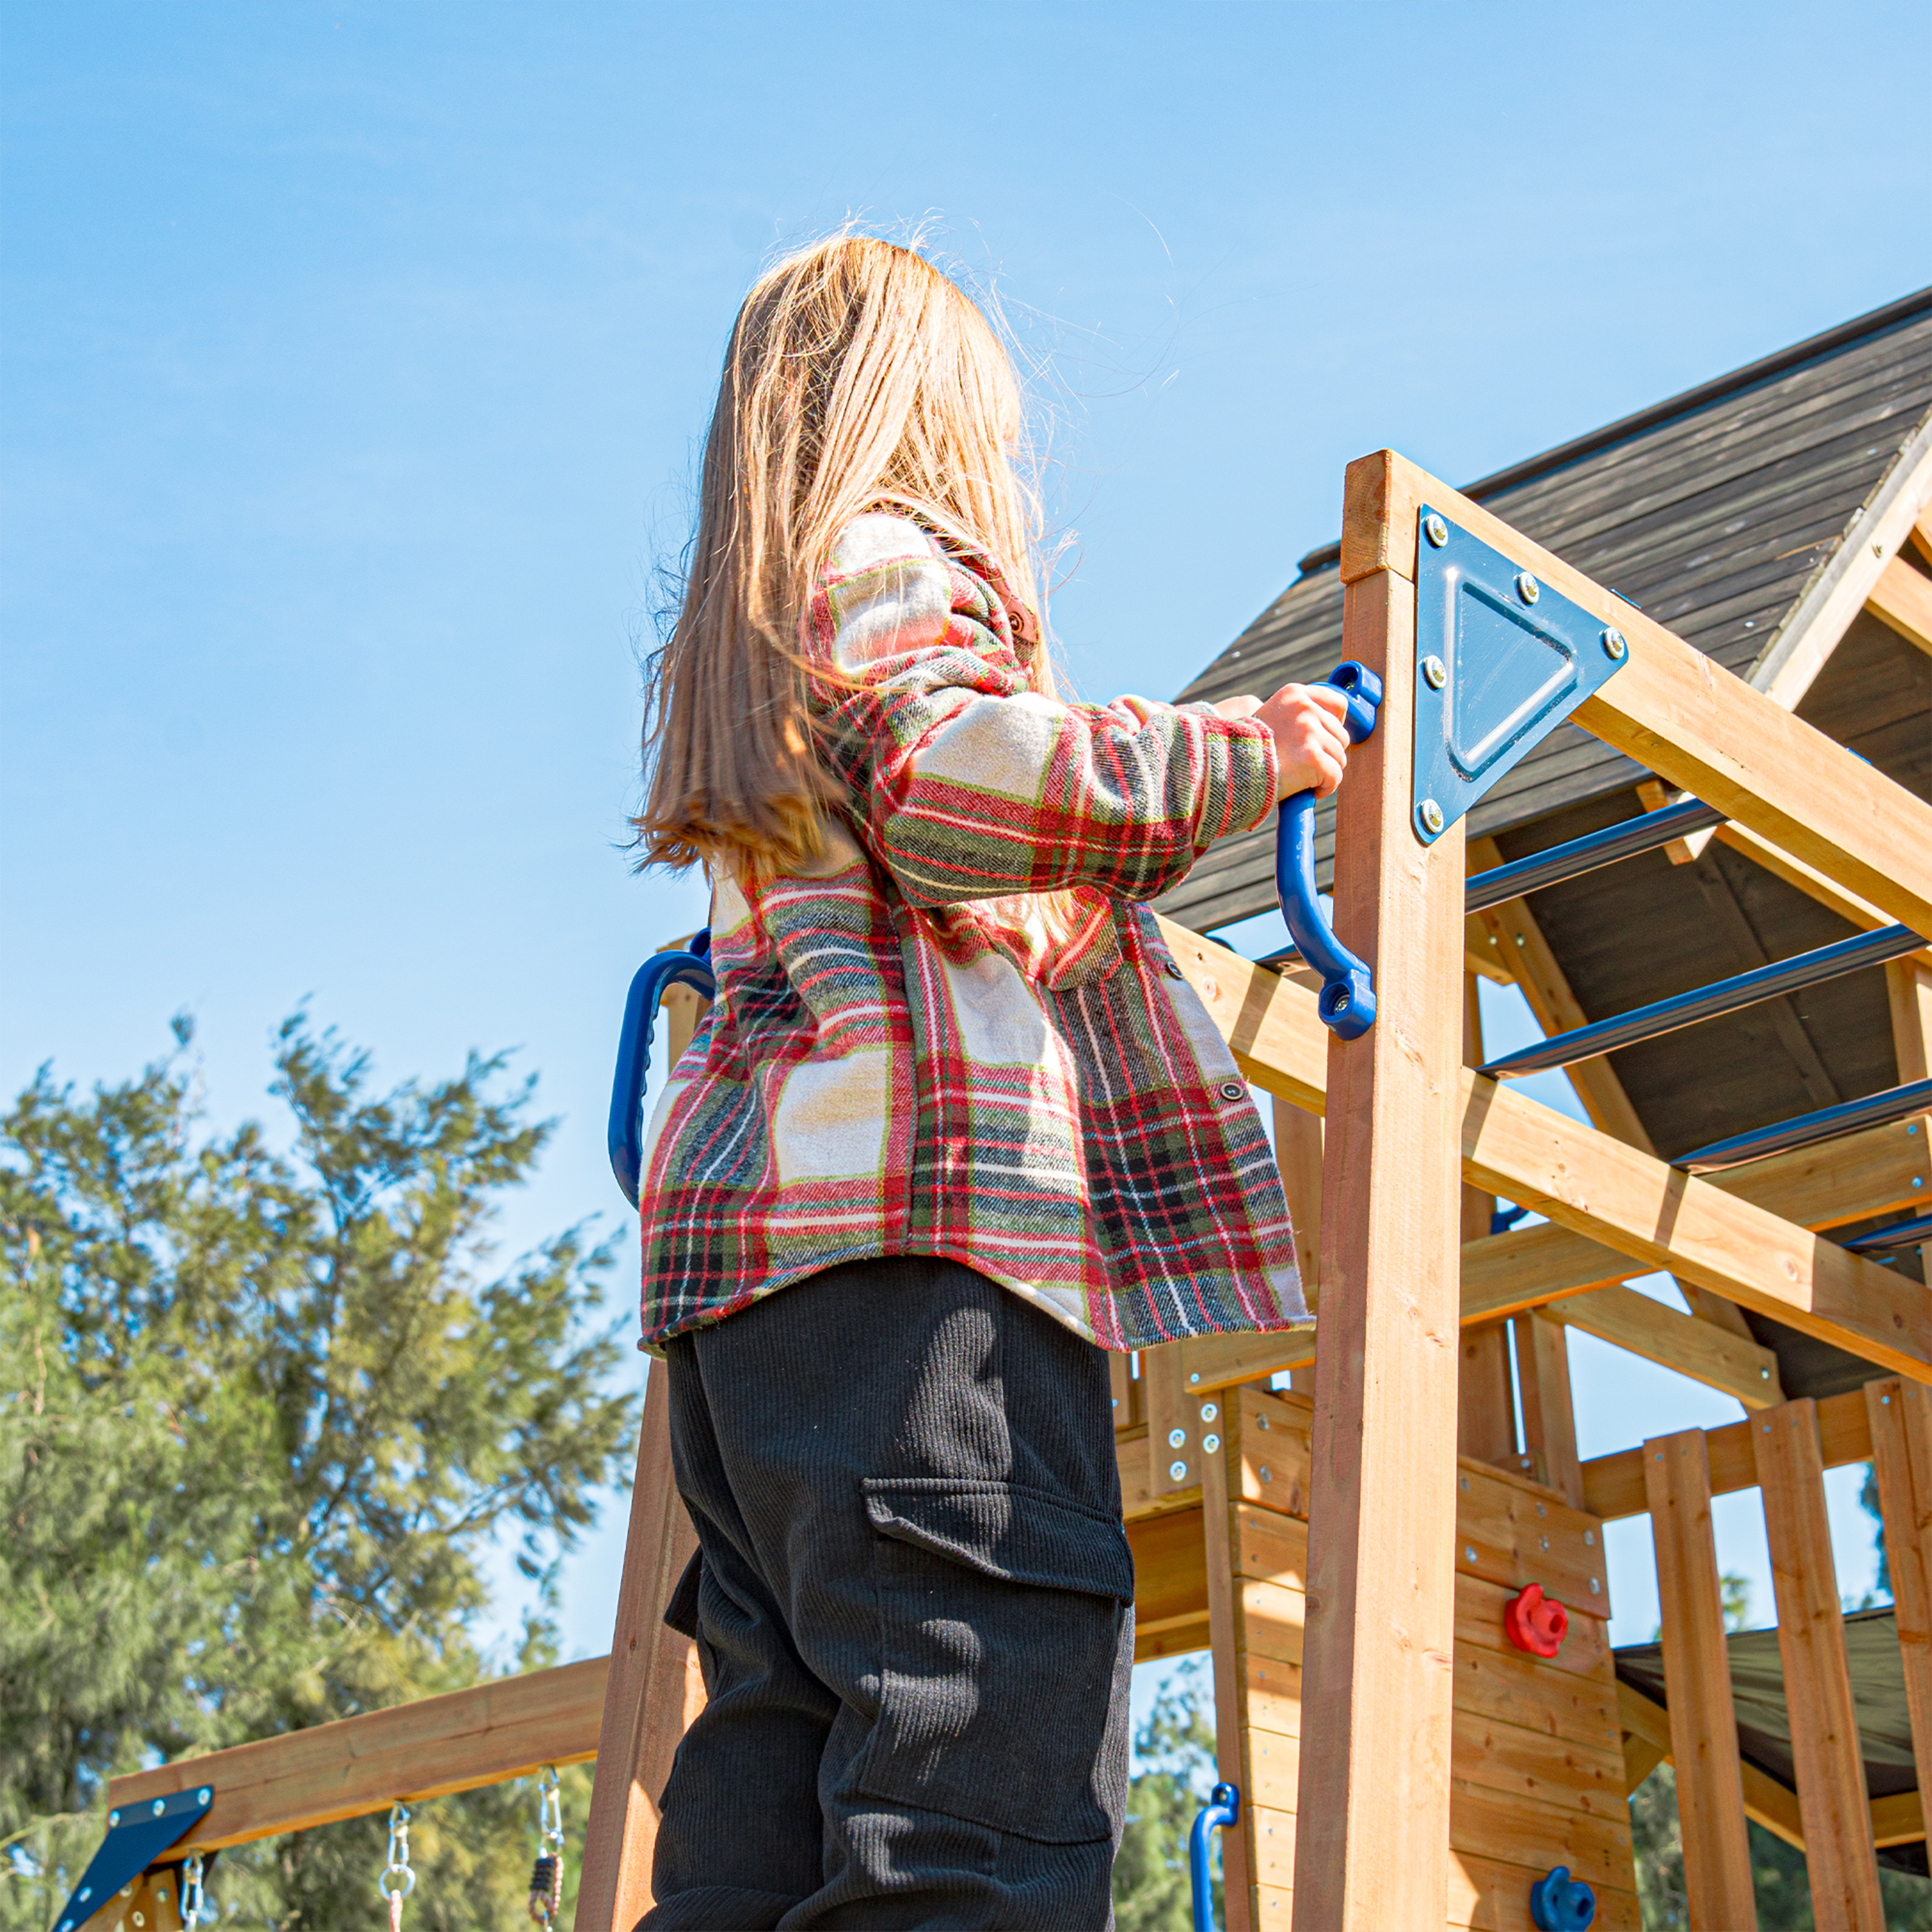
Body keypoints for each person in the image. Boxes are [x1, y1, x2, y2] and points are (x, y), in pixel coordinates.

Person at [628, 234, 1350, 1930]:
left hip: (750, 1306)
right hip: (924, 1270)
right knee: (979, 1772)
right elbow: (966, 782)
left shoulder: (755, 651)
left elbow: (922, 854)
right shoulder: (890, 564)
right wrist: (1245, 754)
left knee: (774, 1773)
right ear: (929, 422)